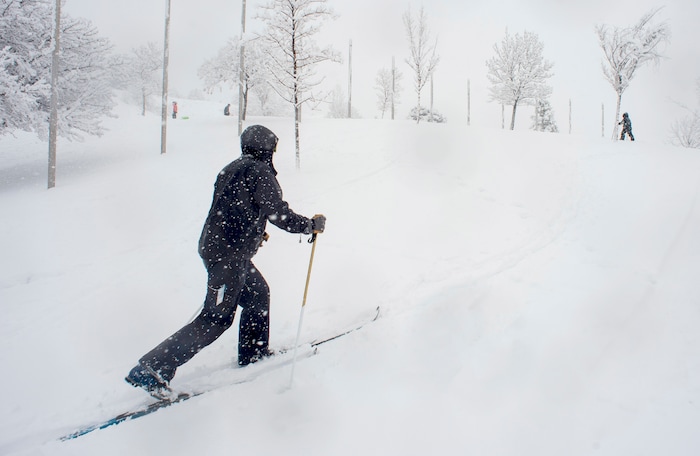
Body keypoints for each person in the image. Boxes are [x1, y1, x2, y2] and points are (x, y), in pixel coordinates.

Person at [125, 124, 326, 398]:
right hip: (227, 257)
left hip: (228, 253)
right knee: (216, 318)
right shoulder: (259, 172)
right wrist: (310, 225)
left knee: (258, 296)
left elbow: (234, 209)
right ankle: (152, 368)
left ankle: (254, 352)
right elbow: (278, 213)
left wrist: (253, 232)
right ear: (267, 149)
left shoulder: (231, 169)